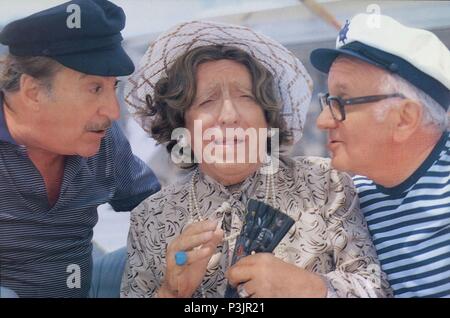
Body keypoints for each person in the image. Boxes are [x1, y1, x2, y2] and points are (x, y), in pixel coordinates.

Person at [120, 21, 391, 298]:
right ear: (183, 127)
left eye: (246, 97)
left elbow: (377, 290)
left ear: (267, 117)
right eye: (207, 101)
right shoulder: (151, 217)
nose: (229, 115)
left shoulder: (326, 184)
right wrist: (171, 292)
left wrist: (309, 288)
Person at [0, 0, 160, 298]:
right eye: (94, 88)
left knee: (177, 255)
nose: (113, 111)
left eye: (113, 87)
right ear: (33, 92)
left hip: (83, 286)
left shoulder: (103, 139)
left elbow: (157, 209)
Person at [311, 13, 450, 297]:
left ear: (404, 119)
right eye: (327, 101)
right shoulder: (347, 201)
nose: (322, 121)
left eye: (340, 102)